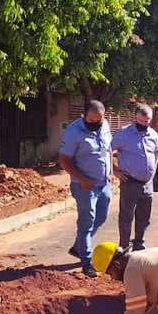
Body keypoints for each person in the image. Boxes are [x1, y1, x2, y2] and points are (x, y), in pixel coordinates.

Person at [59, 100, 112, 277]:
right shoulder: (74, 132)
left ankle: (78, 247)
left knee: (102, 217)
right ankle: (87, 263)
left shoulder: (104, 125)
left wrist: (110, 170)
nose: (96, 124)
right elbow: (64, 160)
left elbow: (107, 149)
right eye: (92, 121)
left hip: (103, 183)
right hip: (84, 186)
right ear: (85, 115)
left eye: (99, 120)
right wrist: (82, 179)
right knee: (87, 222)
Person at [111, 104, 158, 252]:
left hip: (147, 183)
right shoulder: (124, 133)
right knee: (126, 216)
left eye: (148, 121)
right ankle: (124, 246)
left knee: (144, 216)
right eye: (142, 121)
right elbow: (108, 149)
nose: (145, 124)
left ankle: (139, 244)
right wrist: (115, 170)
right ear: (136, 118)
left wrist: (152, 172)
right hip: (129, 182)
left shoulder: (153, 135)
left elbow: (157, 153)